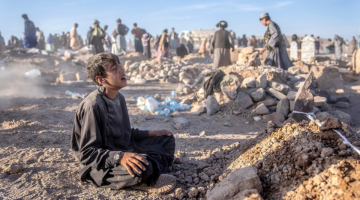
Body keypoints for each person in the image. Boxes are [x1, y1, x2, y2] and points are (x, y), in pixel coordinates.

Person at [71, 52, 176, 192]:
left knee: (166, 140)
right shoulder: (93, 105)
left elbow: (124, 133)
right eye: (114, 69)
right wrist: (119, 157)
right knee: (144, 169)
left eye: (120, 66)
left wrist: (152, 133)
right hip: (100, 163)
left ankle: (152, 169)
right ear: (100, 79)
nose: (122, 70)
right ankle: (145, 178)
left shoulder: (119, 98)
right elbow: (87, 153)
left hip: (124, 149)